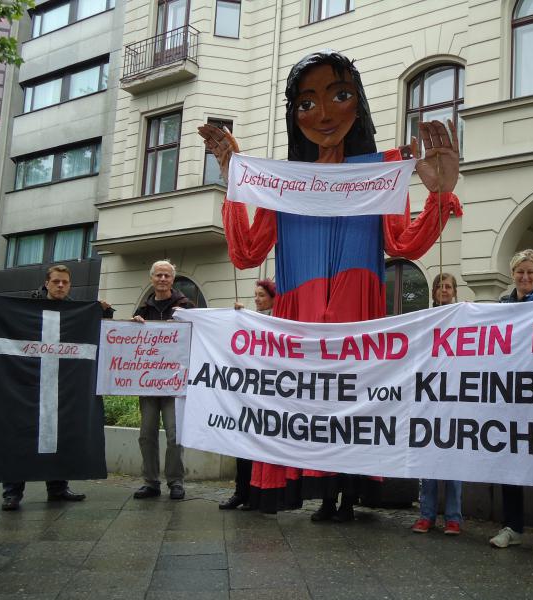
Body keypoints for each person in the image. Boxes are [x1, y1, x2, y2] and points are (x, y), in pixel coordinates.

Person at [198, 49, 461, 518]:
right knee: (303, 404)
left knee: (351, 402)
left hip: (356, 309)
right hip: (297, 314)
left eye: (339, 95)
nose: (322, 114)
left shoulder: (380, 170)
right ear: (293, 115)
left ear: (357, 104)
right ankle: (320, 494)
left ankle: (344, 494)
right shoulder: (280, 181)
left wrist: (438, 194)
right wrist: (234, 185)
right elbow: (247, 252)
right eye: (306, 103)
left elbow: (404, 242)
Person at [0, 264, 114, 511]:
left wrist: (104, 311)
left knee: (61, 433)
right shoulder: (28, 307)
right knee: (20, 434)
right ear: (46, 283)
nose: (61, 286)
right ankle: (12, 493)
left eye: (65, 282)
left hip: (62, 386)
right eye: (56, 281)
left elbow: (102, 332)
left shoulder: (76, 311)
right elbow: (0, 320)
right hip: (26, 386)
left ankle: (58, 488)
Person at [490, 249, 533, 555]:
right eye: (520, 272)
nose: (525, 277)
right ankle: (513, 527)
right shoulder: (504, 304)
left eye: (531, 272)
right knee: (511, 462)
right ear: (512, 273)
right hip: (512, 395)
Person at [131, 260, 194, 501]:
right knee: (146, 434)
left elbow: (198, 334)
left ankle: (176, 482)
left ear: (173, 279)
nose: (162, 279)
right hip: (147, 383)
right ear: (151, 279)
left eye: (167, 275)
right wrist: (132, 325)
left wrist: (181, 326)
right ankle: (150, 482)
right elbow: (130, 345)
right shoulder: (143, 309)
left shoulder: (185, 307)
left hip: (174, 384)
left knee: (174, 435)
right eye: (158, 275)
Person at [412, 273, 463, 535]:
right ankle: (427, 515)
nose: (444, 290)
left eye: (448, 287)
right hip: (429, 398)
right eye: (440, 287)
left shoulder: (464, 317)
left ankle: (453, 517)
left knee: (454, 461)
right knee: (428, 460)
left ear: (454, 291)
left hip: (456, 398)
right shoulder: (424, 320)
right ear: (433, 292)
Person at [219, 278, 276, 511]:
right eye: (255, 294)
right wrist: (239, 319)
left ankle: (257, 494)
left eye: (261, 295)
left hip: (270, 395)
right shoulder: (251, 319)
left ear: (273, 297)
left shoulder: (279, 321)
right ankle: (241, 492)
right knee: (242, 443)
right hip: (248, 394)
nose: (256, 299)